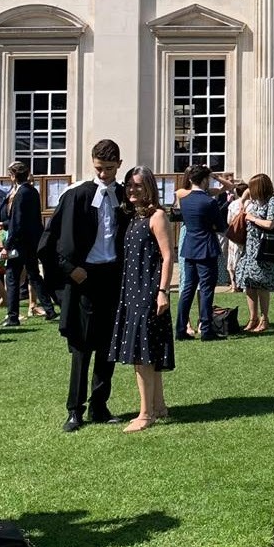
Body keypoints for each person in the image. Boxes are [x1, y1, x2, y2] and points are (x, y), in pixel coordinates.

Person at [48, 139, 129, 431]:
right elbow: (52, 242)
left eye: (109, 168)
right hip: (84, 277)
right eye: (99, 168)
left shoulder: (124, 195)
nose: (104, 174)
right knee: (82, 347)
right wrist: (71, 270)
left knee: (108, 346)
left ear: (119, 164)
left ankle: (99, 404)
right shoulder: (77, 195)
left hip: (113, 276)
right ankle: (74, 409)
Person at [109, 167, 175, 431]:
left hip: (148, 292)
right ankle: (159, 406)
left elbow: (168, 256)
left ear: (149, 187)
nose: (132, 190)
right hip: (133, 290)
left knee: (142, 354)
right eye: (129, 186)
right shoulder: (135, 216)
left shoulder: (157, 216)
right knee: (149, 351)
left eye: (138, 185)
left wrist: (163, 291)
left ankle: (145, 413)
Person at [175, 163, 227, 342]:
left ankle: (181, 328)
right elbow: (221, 226)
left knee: (187, 289)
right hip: (206, 247)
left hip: (189, 246)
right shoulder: (209, 201)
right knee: (206, 290)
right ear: (205, 180)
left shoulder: (185, 199)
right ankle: (206, 329)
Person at [1, 161, 55, 326]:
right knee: (33, 274)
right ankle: (49, 308)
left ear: (13, 176)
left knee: (12, 277)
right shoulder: (32, 191)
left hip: (20, 242)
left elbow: (17, 222)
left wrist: (7, 246)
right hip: (32, 241)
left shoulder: (21, 193)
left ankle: (12, 316)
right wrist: (4, 224)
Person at [235, 173, 274, 332]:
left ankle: (264, 318)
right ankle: (252, 318)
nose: (250, 190)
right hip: (250, 249)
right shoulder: (256, 201)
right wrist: (243, 201)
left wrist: (252, 218)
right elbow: (247, 192)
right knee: (249, 284)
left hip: (263, 249)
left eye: (253, 187)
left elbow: (271, 223)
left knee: (262, 284)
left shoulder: (272, 201)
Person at [224, 181, 248, 292]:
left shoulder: (232, 205)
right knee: (244, 259)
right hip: (246, 235)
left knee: (232, 260)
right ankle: (243, 284)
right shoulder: (250, 204)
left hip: (234, 235)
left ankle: (234, 285)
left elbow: (229, 221)